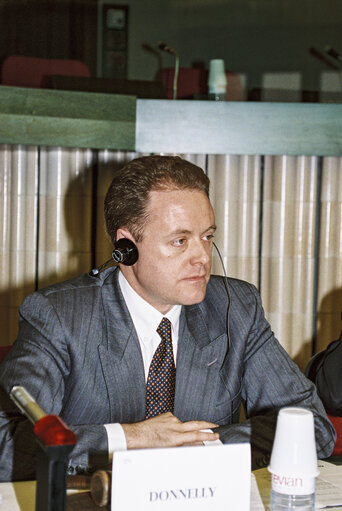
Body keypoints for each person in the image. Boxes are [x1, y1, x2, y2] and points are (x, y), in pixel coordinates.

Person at [0, 155, 336, 481]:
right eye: (179, 241)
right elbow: (6, 443)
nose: (202, 258)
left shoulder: (236, 307)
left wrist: (204, 446)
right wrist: (130, 439)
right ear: (126, 247)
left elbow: (312, 426)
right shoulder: (59, 314)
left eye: (207, 237)